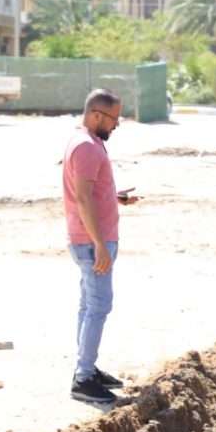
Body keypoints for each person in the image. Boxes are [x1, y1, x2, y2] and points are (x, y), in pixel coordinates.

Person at [62, 89, 140, 404]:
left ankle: (88, 369)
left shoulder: (86, 142)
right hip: (92, 242)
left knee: (89, 305)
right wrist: (100, 245)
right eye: (113, 118)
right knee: (99, 306)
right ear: (96, 115)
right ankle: (83, 379)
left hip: (90, 239)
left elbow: (89, 191)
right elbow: (82, 198)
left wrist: (115, 197)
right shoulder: (86, 147)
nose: (116, 124)